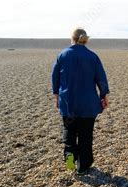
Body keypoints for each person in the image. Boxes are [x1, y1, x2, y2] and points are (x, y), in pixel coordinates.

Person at [51, 28, 110, 175]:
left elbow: (55, 78)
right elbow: (101, 79)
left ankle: (70, 161)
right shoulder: (92, 57)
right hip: (88, 105)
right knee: (86, 136)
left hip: (68, 103)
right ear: (85, 40)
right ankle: (83, 166)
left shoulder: (62, 55)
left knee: (69, 134)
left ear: (72, 38)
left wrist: (56, 96)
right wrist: (104, 96)